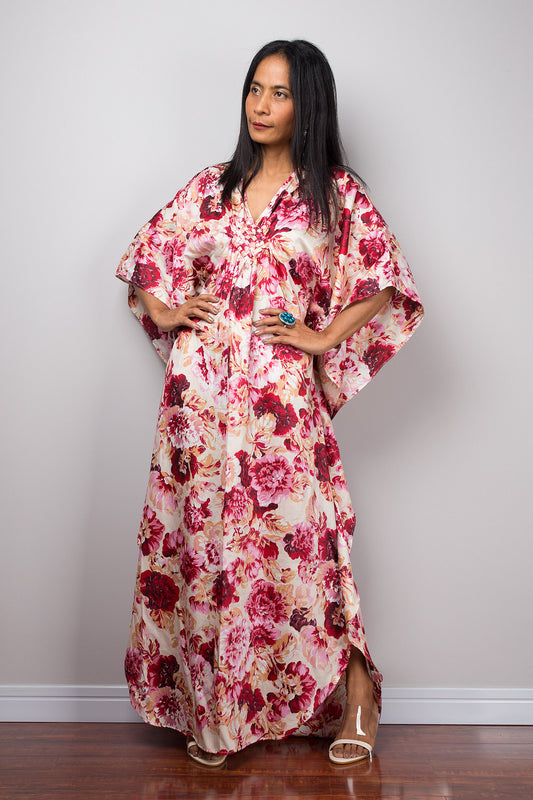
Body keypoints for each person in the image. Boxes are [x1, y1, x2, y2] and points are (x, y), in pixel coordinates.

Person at [116, 39, 423, 767]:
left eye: (280, 93)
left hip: (280, 403)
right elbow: (144, 260)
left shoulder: (335, 195)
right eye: (255, 88)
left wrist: (319, 339)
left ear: (306, 104)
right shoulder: (207, 188)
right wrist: (164, 313)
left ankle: (357, 695)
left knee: (307, 548)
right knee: (206, 552)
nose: (261, 104)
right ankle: (218, 712)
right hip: (198, 405)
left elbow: (386, 281)